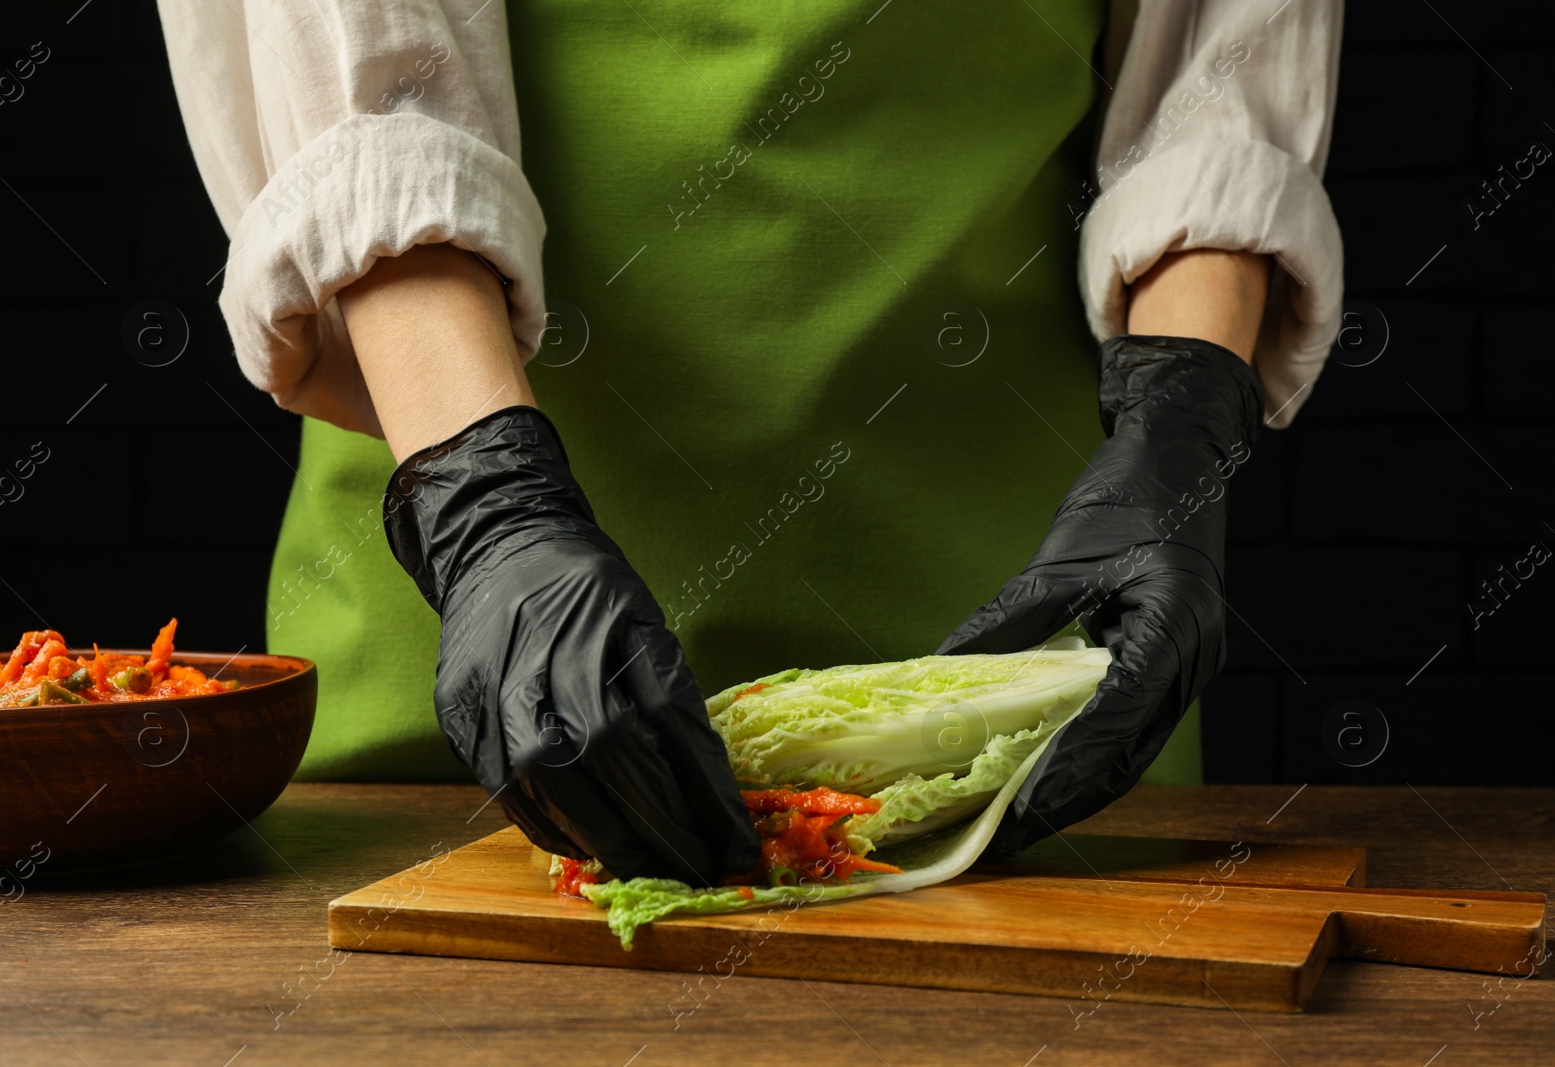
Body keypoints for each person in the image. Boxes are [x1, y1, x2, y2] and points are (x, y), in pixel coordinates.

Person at [157, 0, 1342, 882]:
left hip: (1019, 655)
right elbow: (361, 92)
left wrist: (1181, 417)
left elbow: (1219, 70)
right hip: (468, 666)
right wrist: (483, 508)